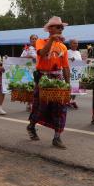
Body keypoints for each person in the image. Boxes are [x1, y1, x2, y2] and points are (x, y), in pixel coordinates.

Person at [27, 16, 70, 149]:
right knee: (41, 107)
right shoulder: (40, 41)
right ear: (50, 29)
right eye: (58, 27)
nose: (61, 29)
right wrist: (51, 40)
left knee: (60, 108)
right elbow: (42, 53)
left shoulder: (63, 46)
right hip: (43, 79)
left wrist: (68, 85)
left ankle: (57, 137)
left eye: (62, 27)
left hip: (57, 80)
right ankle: (31, 126)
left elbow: (66, 67)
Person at [21, 34, 38, 111]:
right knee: (30, 87)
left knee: (37, 87)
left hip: (38, 70)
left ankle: (35, 104)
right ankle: (29, 103)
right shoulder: (27, 49)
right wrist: (29, 57)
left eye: (35, 39)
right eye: (33, 39)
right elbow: (21, 58)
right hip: (29, 71)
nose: (34, 40)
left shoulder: (41, 48)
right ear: (30, 40)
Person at [68, 39, 82, 109]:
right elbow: (64, 61)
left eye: (76, 43)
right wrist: (70, 60)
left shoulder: (78, 52)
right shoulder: (67, 52)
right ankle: (68, 101)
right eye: (74, 43)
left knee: (76, 88)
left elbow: (80, 62)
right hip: (70, 73)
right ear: (70, 45)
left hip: (77, 73)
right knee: (70, 88)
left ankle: (72, 100)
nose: (76, 44)